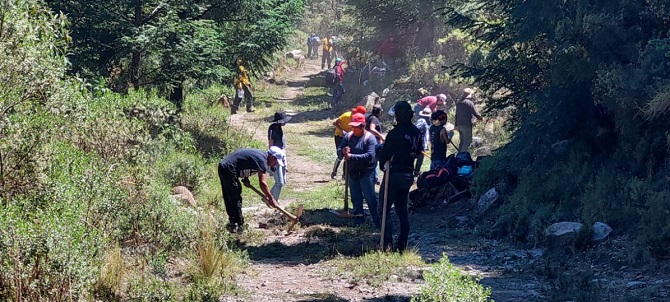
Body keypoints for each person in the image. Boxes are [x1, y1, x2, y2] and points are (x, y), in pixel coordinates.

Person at [377, 100, 422, 252]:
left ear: (398, 115)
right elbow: (419, 152)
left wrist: (381, 161)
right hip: (408, 174)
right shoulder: (416, 132)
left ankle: (386, 243)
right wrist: (416, 170)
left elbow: (385, 153)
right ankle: (402, 244)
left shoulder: (394, 133)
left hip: (394, 174)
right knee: (402, 209)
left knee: (383, 208)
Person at [218, 147, 284, 233]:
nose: (274, 165)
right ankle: (238, 226)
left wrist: (246, 178)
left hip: (224, 166)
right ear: (272, 157)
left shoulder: (260, 156)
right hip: (229, 168)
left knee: (230, 196)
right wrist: (271, 199)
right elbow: (263, 183)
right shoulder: (262, 161)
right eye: (275, 162)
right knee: (235, 196)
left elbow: (245, 162)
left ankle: (233, 223)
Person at [337, 113, 380, 227]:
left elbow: (371, 156)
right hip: (352, 172)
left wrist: (352, 156)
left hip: (366, 173)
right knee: (356, 198)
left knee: (370, 198)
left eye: (356, 126)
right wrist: (343, 151)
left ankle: (377, 221)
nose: (354, 129)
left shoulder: (370, 138)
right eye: (353, 126)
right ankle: (358, 220)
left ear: (363, 125)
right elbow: (340, 150)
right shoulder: (348, 136)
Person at [331, 106, 367, 179]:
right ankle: (334, 172)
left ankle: (345, 175)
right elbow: (335, 123)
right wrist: (342, 131)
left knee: (348, 155)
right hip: (340, 136)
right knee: (340, 154)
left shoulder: (360, 120)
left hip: (349, 137)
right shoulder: (346, 116)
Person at [268, 111, 292, 200]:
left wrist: (285, 163)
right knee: (279, 183)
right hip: (275, 156)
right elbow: (270, 144)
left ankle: (268, 198)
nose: (285, 122)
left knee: (284, 181)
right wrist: (271, 160)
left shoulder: (279, 128)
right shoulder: (272, 128)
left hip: (282, 154)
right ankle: (274, 202)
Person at [454, 88, 482, 153]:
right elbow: (475, 113)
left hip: (459, 125)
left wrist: (456, 125)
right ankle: (462, 156)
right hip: (466, 125)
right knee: (467, 141)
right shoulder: (469, 103)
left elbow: (456, 114)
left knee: (462, 141)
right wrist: (480, 118)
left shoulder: (459, 102)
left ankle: (459, 155)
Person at [365, 104, 384, 184]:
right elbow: (371, 129)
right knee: (374, 160)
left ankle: (374, 177)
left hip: (371, 142)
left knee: (374, 160)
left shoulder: (370, 117)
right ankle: (374, 178)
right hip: (373, 143)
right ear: (379, 112)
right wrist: (381, 136)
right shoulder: (374, 118)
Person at [413, 107, 431, 177]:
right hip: (419, 143)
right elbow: (416, 129)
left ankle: (416, 171)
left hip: (422, 143)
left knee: (420, 158)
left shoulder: (425, 121)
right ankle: (415, 171)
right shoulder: (422, 120)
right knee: (416, 156)